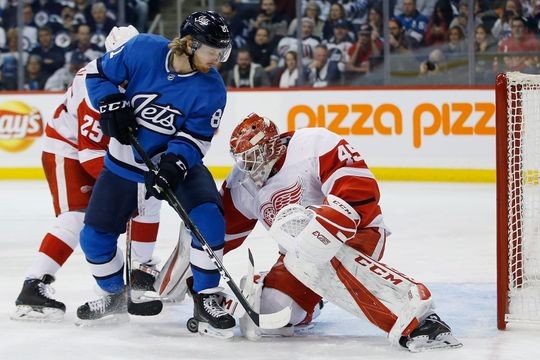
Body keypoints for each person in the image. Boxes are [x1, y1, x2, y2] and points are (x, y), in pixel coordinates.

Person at [220, 113, 462, 351]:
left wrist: (322, 232)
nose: (248, 166)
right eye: (243, 158)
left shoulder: (313, 143)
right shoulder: (242, 182)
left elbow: (359, 189)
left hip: (357, 232)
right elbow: (219, 234)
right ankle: (309, 298)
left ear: (272, 146)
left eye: (253, 156)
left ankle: (422, 319)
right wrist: (200, 283)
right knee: (271, 315)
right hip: (297, 258)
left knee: (324, 255)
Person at [76, 11, 236, 335]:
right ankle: (113, 295)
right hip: (123, 165)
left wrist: (176, 163)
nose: (218, 59)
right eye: (212, 51)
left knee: (208, 217)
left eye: (222, 52)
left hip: (177, 166)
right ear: (190, 44)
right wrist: (110, 103)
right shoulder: (142, 49)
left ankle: (205, 296)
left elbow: (196, 137)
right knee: (93, 238)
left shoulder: (212, 88)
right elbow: (97, 73)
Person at [11, 25, 161, 322]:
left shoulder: (140, 76)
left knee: (142, 199)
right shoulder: (96, 91)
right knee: (79, 216)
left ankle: (137, 273)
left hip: (105, 152)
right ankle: (33, 285)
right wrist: (124, 188)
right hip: (66, 150)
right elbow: (89, 152)